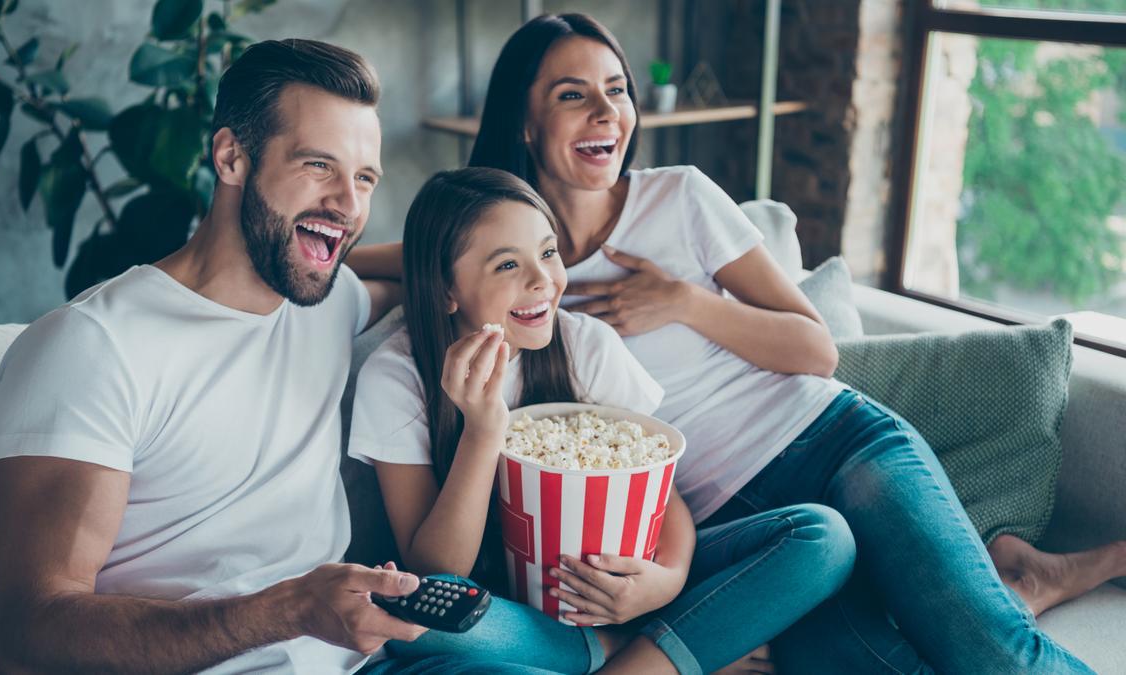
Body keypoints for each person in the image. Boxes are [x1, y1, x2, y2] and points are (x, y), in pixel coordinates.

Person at [350, 13, 1119, 674]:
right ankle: (1011, 575)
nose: (607, 113)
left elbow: (817, 351)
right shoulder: (505, 248)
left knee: (993, 652)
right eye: (573, 95)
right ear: (524, 121)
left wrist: (683, 303)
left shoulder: (677, 197)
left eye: (617, 91)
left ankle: (1006, 588)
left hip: (827, 441)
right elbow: (407, 255)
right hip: (734, 513)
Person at [0, 38, 556, 675]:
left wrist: (539, 264)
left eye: (364, 178)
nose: (349, 205)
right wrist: (286, 609)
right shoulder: (93, 346)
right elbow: (25, 632)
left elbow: (434, 265)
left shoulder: (327, 300)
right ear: (232, 157)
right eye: (319, 166)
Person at [347, 166, 856, 675]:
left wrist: (667, 579)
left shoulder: (585, 344)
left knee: (823, 537)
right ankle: (639, 654)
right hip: (509, 612)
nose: (542, 280)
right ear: (444, 290)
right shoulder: (397, 377)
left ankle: (633, 650)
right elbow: (438, 569)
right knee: (421, 616)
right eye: (507, 265)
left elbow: (661, 493)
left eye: (548, 253)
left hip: (629, 584)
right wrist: (483, 430)